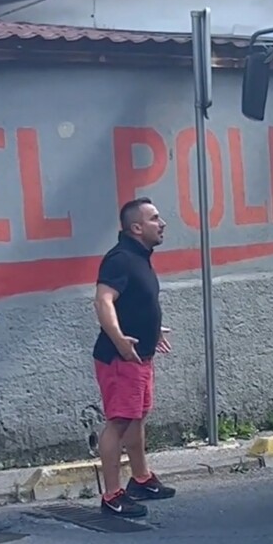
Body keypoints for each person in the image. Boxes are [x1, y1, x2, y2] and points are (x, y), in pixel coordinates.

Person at [92, 197, 176, 518]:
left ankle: (140, 480)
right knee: (118, 422)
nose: (162, 223)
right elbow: (103, 301)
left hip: (139, 355)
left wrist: (152, 329)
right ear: (136, 228)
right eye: (155, 218)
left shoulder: (140, 257)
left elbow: (134, 302)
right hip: (120, 358)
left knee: (136, 416)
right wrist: (119, 340)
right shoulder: (120, 259)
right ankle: (112, 496)